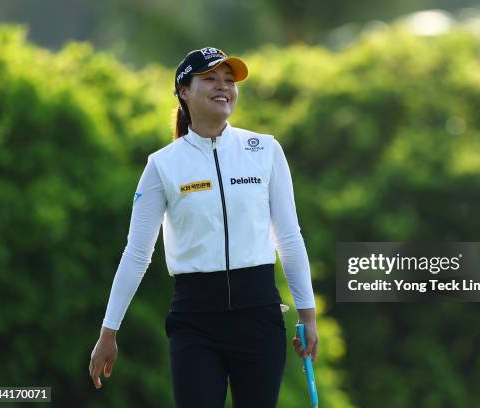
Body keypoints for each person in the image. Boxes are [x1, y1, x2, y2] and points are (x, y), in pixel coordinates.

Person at [88, 46, 318, 407]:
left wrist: (308, 316)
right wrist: (108, 332)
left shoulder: (265, 150)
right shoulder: (162, 165)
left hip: (259, 316)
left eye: (229, 80)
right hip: (195, 321)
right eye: (210, 79)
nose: (222, 86)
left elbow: (288, 238)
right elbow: (137, 253)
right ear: (183, 90)